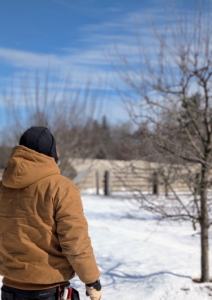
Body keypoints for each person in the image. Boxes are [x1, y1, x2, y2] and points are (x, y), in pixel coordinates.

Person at [0, 126, 102, 300]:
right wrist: (91, 280)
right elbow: (75, 241)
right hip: (48, 291)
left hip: (10, 289)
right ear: (50, 151)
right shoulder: (62, 188)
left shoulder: (3, 188)